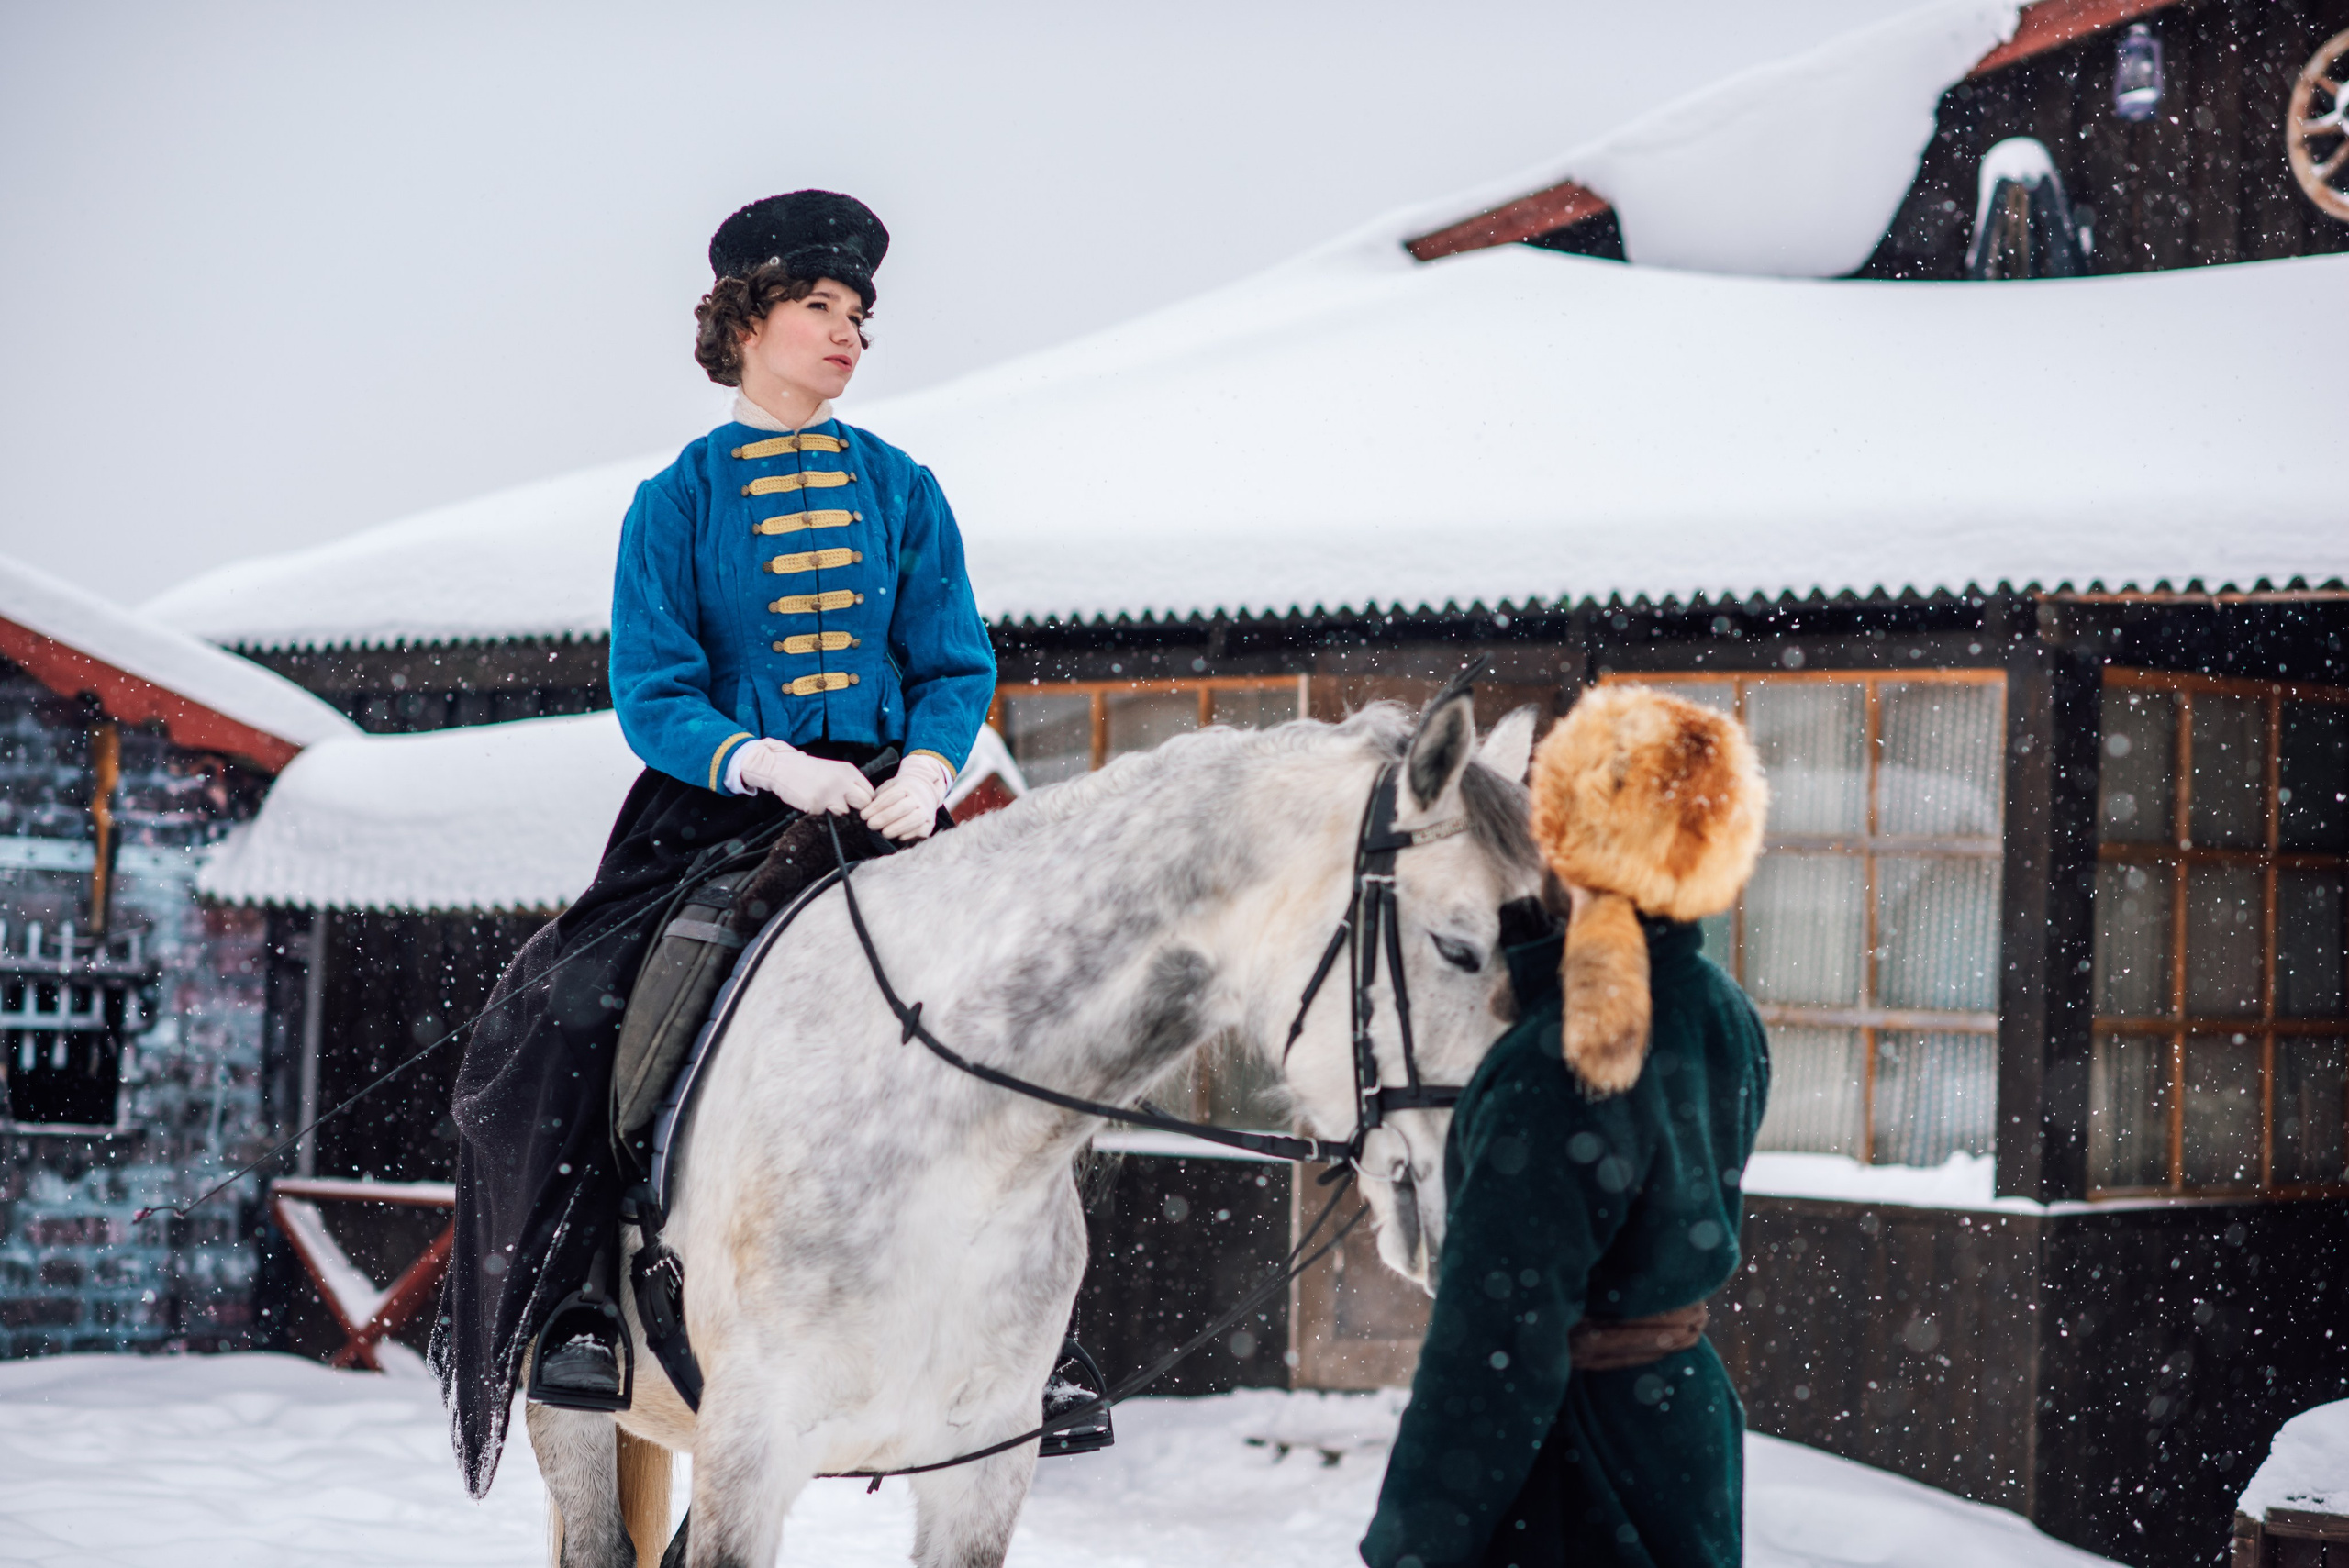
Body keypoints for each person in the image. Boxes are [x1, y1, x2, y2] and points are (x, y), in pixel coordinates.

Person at [433, 190, 995, 1487]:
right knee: (572, 1006)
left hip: (885, 807)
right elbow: (654, 689)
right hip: (719, 806)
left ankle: (1041, 1333)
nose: (849, 333)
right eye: (820, 308)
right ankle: (581, 1305)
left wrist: (926, 761)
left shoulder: (905, 490)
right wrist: (758, 757)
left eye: (860, 315)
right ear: (746, 321)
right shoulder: (674, 501)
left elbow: (952, 655)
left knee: (1039, 1009)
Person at [1360, 684, 1770, 1568]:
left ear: (1563, 836)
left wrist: (1412, 1547)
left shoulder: (1555, 1067)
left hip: (1573, 1476)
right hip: (1679, 1434)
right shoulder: (1722, 1010)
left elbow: (1495, 1348)